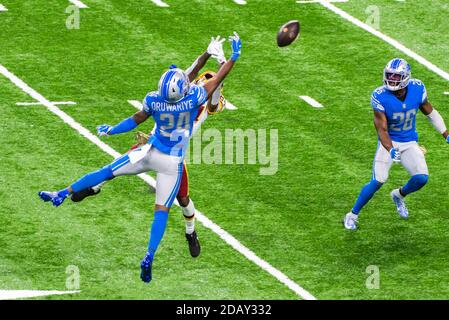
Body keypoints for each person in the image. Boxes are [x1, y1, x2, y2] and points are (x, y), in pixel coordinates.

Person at [39, 33, 242, 283]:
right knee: (161, 207)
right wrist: (229, 59)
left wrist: (208, 55)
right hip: (167, 155)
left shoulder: (161, 98)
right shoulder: (194, 95)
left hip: (155, 147)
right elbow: (205, 85)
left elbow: (201, 91)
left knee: (178, 195)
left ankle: (190, 231)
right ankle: (145, 249)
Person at [344, 58, 449, 230]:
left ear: (406, 77)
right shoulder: (379, 96)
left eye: (396, 76)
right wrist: (391, 149)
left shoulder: (417, 88)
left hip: (409, 141)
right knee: (379, 180)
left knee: (421, 178)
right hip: (389, 142)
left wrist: (446, 134)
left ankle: (398, 195)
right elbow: (382, 130)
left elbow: (431, 113)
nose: (392, 79)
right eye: (389, 75)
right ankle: (352, 215)